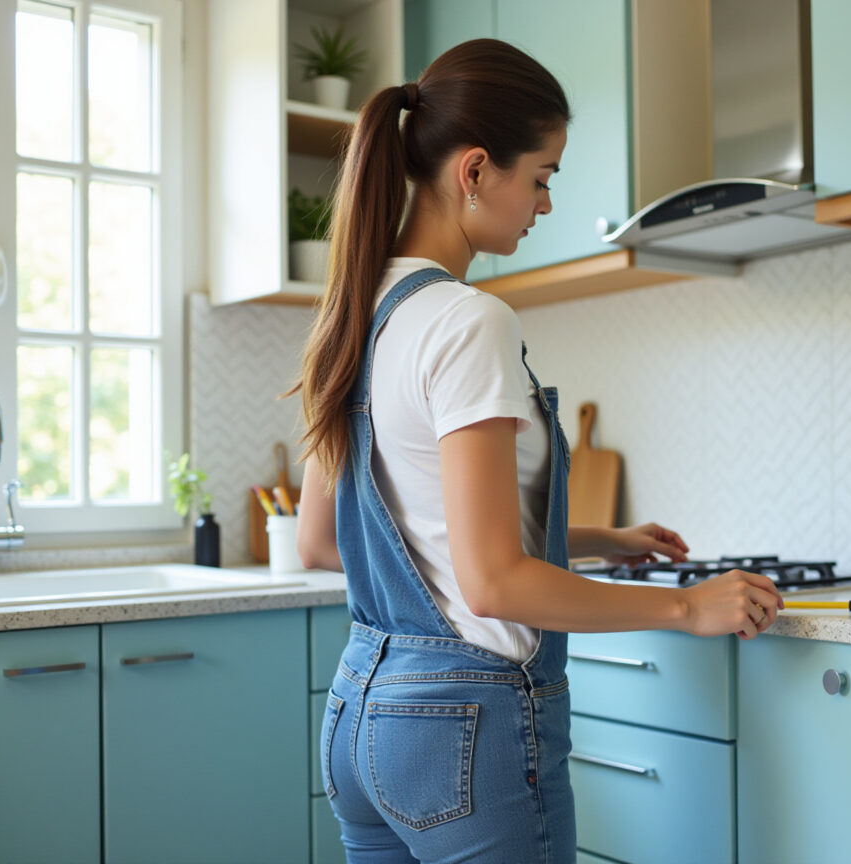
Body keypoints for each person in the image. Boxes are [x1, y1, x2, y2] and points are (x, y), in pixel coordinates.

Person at [288, 39, 784, 864]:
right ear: (476, 170)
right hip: (464, 728)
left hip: (360, 718)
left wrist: (595, 539)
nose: (546, 203)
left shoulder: (353, 311)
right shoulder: (468, 320)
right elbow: (491, 583)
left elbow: (327, 537)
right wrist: (688, 606)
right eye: (543, 176)